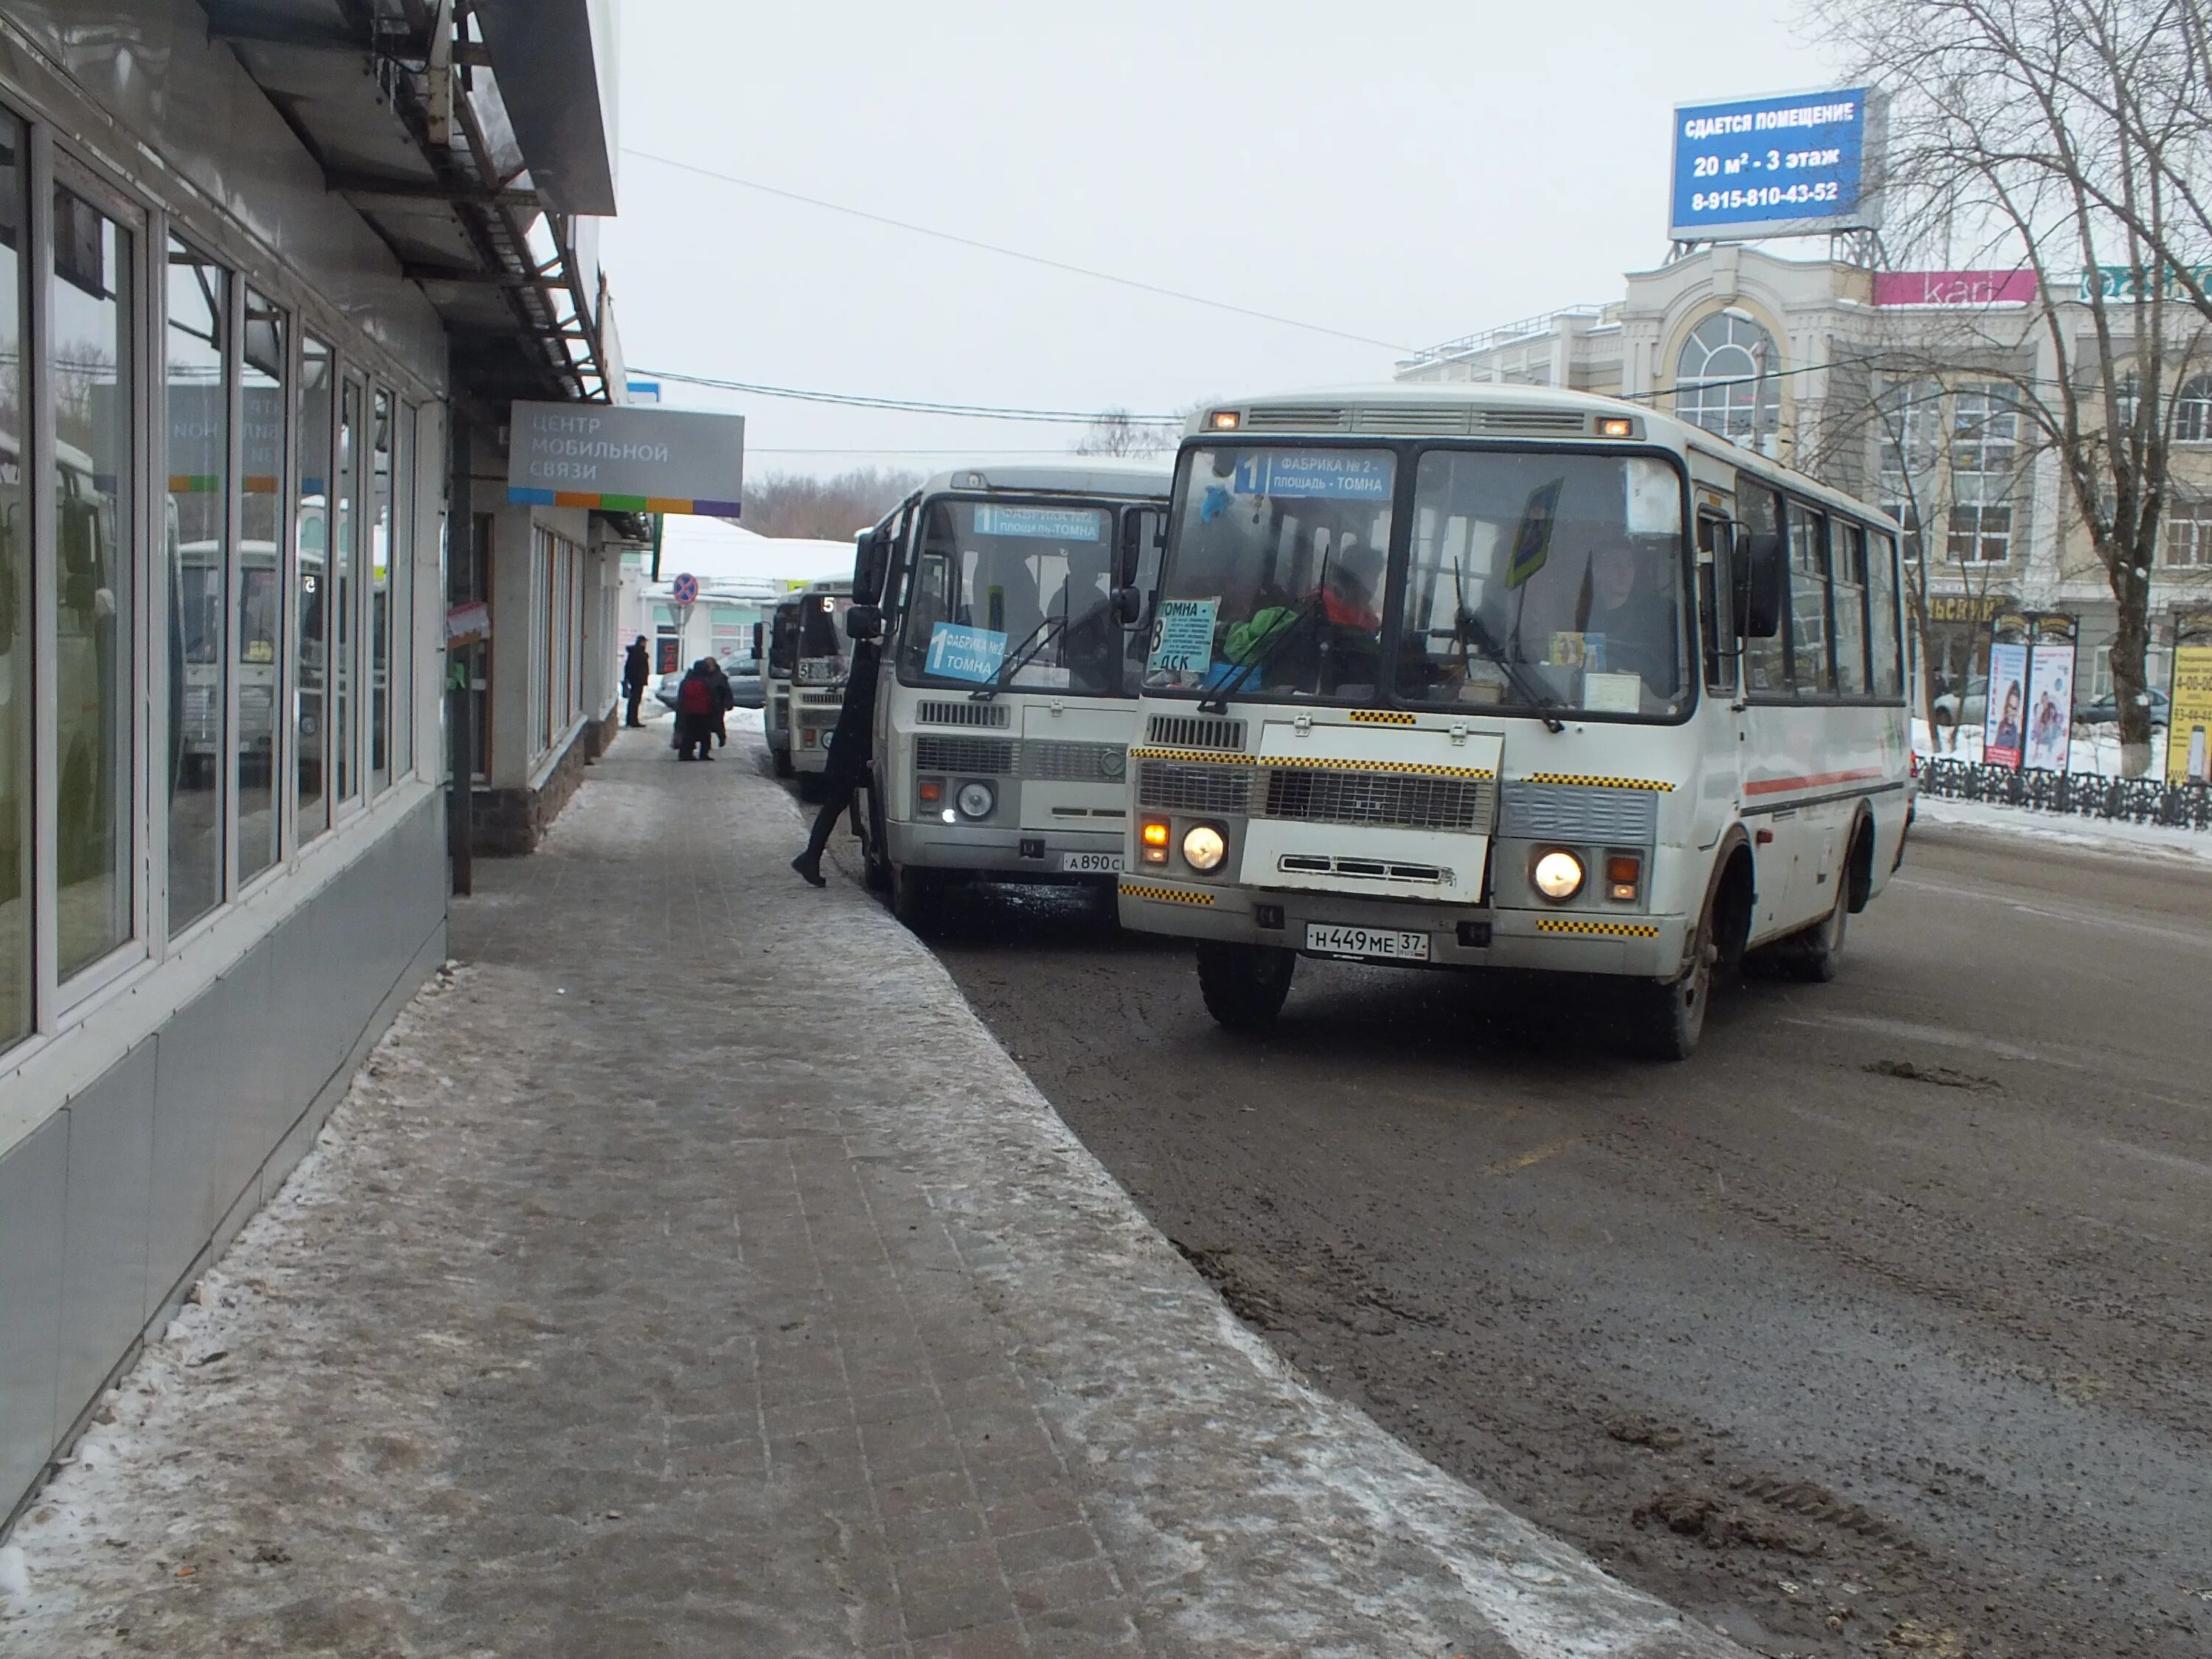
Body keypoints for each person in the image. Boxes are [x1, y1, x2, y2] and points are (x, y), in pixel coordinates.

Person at [791, 637, 881, 887]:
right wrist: (866, 757)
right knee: (838, 804)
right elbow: (863, 715)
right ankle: (810, 858)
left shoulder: (862, 670)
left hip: (848, 751)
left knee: (836, 805)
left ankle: (810, 858)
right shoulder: (869, 673)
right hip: (853, 753)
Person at [1581, 542, 1676, 691]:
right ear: (1597, 572)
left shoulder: (1656, 614)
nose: (1624, 573)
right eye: (1616, 565)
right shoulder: (1585, 618)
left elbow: (1670, 674)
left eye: (1629, 565)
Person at [672, 658, 719, 760]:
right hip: (704, 712)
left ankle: (685, 753)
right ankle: (704, 754)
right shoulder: (707, 681)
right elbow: (712, 697)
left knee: (688, 734)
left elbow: (681, 697)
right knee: (705, 735)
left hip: (688, 712)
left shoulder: (687, 681)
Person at [621, 636, 650, 727]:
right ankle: (632, 720)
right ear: (641, 642)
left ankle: (632, 719)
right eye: (644, 642)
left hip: (636, 680)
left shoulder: (636, 653)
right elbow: (634, 667)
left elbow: (628, 667)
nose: (645, 644)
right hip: (637, 680)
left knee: (634, 700)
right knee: (635, 700)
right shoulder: (638, 654)